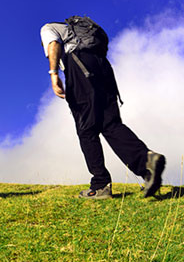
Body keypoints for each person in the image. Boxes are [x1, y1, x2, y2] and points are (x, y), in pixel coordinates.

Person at [40, 17, 165, 199]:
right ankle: (147, 163)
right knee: (110, 124)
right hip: (103, 69)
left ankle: (100, 185)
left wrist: (54, 74)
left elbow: (52, 44)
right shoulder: (83, 36)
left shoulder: (48, 28)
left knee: (86, 129)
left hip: (79, 66)